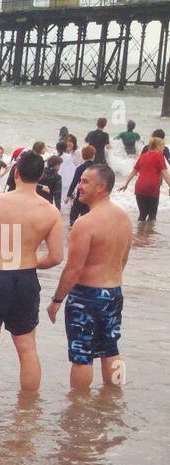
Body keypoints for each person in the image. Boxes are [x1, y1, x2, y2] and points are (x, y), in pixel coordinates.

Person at [0, 151, 64, 394]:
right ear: (40, 176)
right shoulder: (50, 212)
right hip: (25, 279)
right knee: (27, 348)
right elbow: (56, 257)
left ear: (16, 172)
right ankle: (28, 413)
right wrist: (30, 262)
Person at [45, 164, 131, 390]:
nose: (79, 186)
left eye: (85, 182)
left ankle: (79, 407)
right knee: (111, 349)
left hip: (87, 296)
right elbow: (123, 259)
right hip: (114, 293)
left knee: (82, 356)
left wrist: (56, 301)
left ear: (101, 187)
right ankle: (114, 397)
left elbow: (73, 269)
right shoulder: (124, 218)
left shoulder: (85, 223)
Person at [120, 136, 170, 222]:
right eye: (163, 146)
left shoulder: (143, 156)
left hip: (139, 188)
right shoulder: (159, 156)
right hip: (152, 189)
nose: (164, 149)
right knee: (152, 216)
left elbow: (133, 172)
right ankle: (149, 235)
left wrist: (126, 184)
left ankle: (140, 233)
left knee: (142, 214)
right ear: (158, 146)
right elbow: (165, 174)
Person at [65, 144, 96, 225]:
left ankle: (72, 228)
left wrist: (68, 195)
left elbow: (74, 182)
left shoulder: (80, 168)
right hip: (92, 195)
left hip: (81, 193)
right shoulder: (97, 168)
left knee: (74, 213)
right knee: (86, 215)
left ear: (83, 156)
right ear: (92, 156)